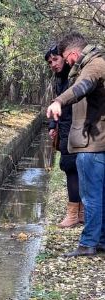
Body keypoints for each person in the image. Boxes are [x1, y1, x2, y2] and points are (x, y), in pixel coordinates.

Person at [47, 32, 105, 257]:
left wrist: (59, 101)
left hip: (92, 143)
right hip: (95, 141)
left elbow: (83, 87)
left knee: (91, 197)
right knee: (99, 195)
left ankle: (88, 243)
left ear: (72, 53)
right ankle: (99, 241)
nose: (67, 63)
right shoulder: (95, 62)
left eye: (65, 58)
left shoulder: (94, 65)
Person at [45, 45, 83, 228]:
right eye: (49, 62)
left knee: (75, 168)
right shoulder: (58, 79)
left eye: (55, 59)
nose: (52, 64)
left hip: (79, 128)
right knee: (70, 167)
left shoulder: (76, 76)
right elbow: (56, 104)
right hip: (65, 128)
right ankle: (79, 211)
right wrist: (53, 125)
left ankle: (75, 213)